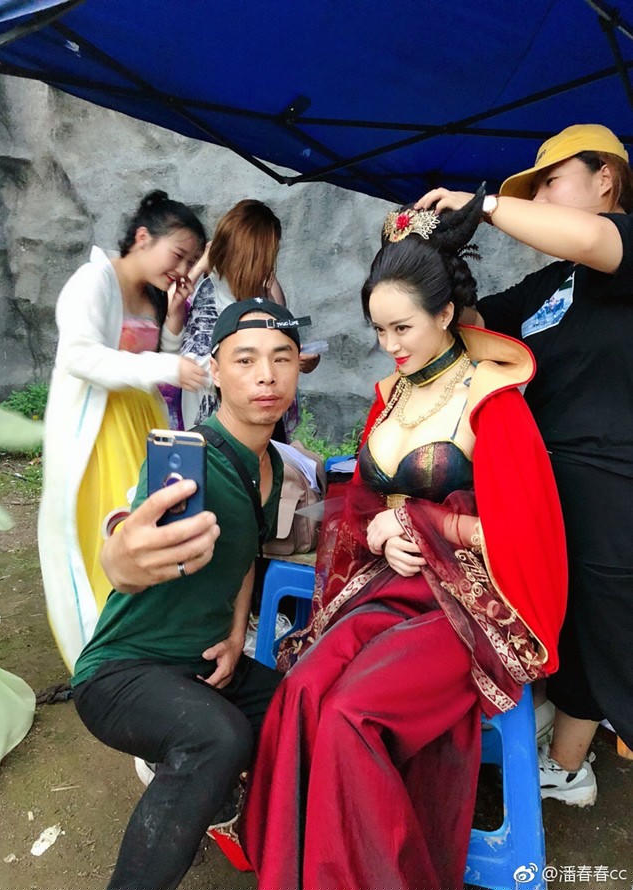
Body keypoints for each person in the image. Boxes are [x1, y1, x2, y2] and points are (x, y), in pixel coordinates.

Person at [240, 192, 567, 890]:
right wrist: (378, 531)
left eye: (402, 326)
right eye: (379, 329)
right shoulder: (391, 394)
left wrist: (416, 521)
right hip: (389, 586)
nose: (390, 344)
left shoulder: (493, 398)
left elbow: (520, 532)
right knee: (302, 691)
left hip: (467, 608)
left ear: (445, 314)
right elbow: (362, 501)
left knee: (350, 716)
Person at [415, 123, 633, 805]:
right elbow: (478, 331)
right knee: (567, 626)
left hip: (610, 487)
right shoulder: (554, 280)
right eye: (530, 190)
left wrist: (483, 205)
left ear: (606, 178)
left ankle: (573, 758)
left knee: (615, 637)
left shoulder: (620, 245)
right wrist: (441, 271)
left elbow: (596, 238)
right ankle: (565, 761)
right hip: (541, 486)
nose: (537, 198)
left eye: (550, 181)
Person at [71, 299, 307, 890]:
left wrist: (235, 634)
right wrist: (121, 555)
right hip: (122, 672)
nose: (266, 375)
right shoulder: (188, 457)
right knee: (217, 738)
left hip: (203, 667)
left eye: (281, 358)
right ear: (216, 372)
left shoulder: (274, 467)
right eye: (245, 360)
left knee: (303, 711)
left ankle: (240, 815)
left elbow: (247, 560)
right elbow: (131, 531)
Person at [38, 190, 207, 672]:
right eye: (179, 255)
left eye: (191, 262)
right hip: (98, 432)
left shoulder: (151, 293)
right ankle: (102, 652)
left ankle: (140, 644)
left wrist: (172, 324)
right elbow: (79, 356)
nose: (182, 269)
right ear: (142, 237)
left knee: (148, 527)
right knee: (107, 532)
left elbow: (150, 360)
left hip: (141, 422)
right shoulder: (93, 281)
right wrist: (167, 365)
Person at [180, 198, 319, 432]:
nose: (270, 264)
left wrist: (295, 359)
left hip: (258, 419)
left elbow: (281, 334)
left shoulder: (262, 291)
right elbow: (194, 366)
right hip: (218, 427)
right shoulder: (212, 293)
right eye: (268, 255)